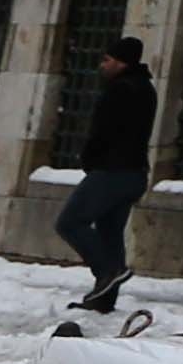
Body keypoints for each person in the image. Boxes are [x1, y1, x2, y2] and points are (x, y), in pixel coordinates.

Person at [56, 29, 157, 316]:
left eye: (107, 60)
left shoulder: (121, 90)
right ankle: (104, 298)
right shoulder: (145, 89)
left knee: (70, 222)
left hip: (113, 170)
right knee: (110, 231)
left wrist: (89, 159)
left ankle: (109, 271)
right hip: (134, 172)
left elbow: (104, 131)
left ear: (122, 63)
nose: (102, 65)